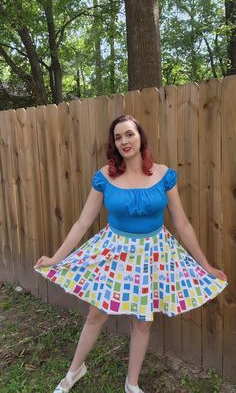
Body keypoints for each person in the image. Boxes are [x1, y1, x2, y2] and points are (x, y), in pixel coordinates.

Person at [34, 115, 228, 393]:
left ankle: (131, 383)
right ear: (113, 143)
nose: (124, 141)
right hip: (115, 254)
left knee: (142, 321)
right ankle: (73, 373)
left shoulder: (164, 175)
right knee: (95, 314)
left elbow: (183, 223)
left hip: (153, 256)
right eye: (118, 137)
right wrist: (55, 258)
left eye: (129, 134)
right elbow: (82, 223)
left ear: (140, 137)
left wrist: (206, 265)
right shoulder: (105, 176)